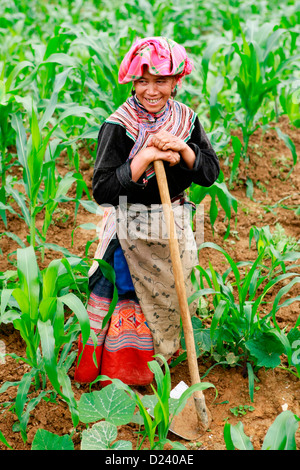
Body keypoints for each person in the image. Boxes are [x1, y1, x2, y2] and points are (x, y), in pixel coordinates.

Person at [74, 37, 220, 386]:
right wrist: (141, 159)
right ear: (132, 82)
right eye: (142, 81)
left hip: (173, 222)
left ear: (175, 81)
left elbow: (209, 172)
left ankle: (161, 369)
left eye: (160, 81)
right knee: (127, 291)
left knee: (172, 295)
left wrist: (184, 151)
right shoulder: (119, 125)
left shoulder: (186, 119)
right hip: (129, 229)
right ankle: (123, 376)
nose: (151, 90)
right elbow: (103, 190)